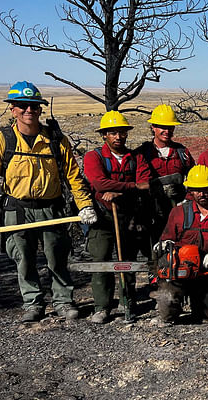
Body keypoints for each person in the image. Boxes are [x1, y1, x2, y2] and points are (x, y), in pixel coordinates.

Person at [0, 81, 98, 322]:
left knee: (57, 255)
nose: (29, 110)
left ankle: (63, 301)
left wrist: (85, 206)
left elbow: (73, 175)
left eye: (34, 106)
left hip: (52, 208)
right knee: (23, 258)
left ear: (40, 109)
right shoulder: (2, 141)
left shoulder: (56, 140)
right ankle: (33, 303)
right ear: (13, 109)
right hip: (17, 209)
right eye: (23, 106)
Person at [83, 110, 153, 324]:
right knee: (101, 261)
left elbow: (146, 184)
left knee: (127, 261)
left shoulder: (136, 157)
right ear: (104, 135)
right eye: (113, 133)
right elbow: (99, 184)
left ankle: (128, 301)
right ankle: (102, 306)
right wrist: (131, 187)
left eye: (122, 132)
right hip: (102, 217)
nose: (118, 137)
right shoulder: (93, 156)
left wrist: (120, 192)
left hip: (128, 217)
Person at [152, 165, 208, 324]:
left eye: (206, 189)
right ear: (191, 190)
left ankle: (202, 305)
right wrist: (163, 244)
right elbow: (166, 238)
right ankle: (171, 310)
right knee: (166, 312)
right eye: (197, 189)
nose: (202, 194)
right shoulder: (178, 213)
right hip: (180, 271)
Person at [134, 104, 194, 245]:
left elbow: (194, 178)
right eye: (162, 127)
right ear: (153, 127)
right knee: (153, 251)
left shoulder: (182, 152)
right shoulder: (141, 153)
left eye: (170, 127)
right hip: (151, 214)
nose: (167, 131)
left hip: (178, 212)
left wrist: (188, 199)